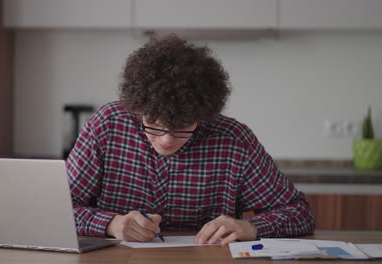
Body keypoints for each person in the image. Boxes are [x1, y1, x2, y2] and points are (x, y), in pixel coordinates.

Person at [66, 35, 314, 245]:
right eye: (154, 124)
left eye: (182, 126)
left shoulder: (233, 140)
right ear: (138, 109)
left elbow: (299, 213)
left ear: (203, 115)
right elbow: (56, 211)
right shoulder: (109, 125)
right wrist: (111, 224)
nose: (165, 140)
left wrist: (251, 228)